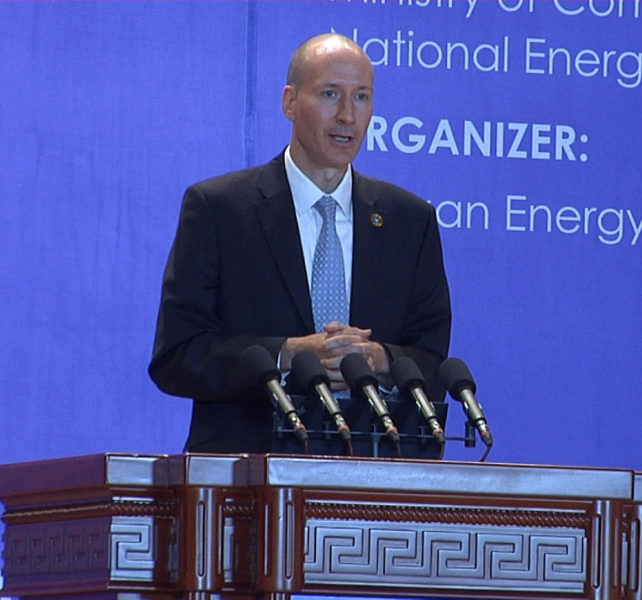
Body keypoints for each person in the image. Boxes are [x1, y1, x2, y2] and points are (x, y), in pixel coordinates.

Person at [148, 33, 451, 453]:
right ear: (289, 102)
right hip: (248, 469)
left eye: (361, 97)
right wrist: (289, 354)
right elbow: (179, 356)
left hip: (374, 469)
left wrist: (378, 359)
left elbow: (434, 362)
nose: (347, 115)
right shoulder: (220, 209)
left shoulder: (409, 221)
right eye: (330, 94)